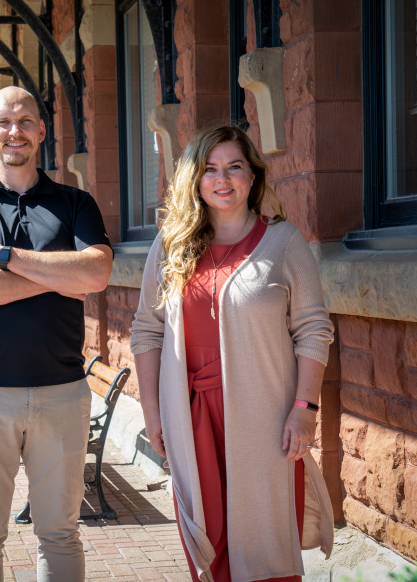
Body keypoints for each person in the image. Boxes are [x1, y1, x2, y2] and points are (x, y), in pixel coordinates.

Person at [130, 125, 336, 582]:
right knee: (208, 540)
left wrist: (305, 408)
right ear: (195, 181)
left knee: (264, 542)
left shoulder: (284, 242)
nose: (222, 179)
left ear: (252, 176)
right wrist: (153, 412)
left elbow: (314, 329)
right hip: (192, 417)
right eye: (210, 169)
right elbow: (147, 330)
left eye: (234, 167)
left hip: (262, 417)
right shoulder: (171, 246)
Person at [0, 86, 113, 582]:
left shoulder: (75, 202)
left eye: (26, 121)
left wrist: (9, 259)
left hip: (62, 392)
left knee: (61, 534)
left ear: (42, 131)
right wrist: (56, 278)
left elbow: (95, 276)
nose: (16, 131)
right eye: (4, 123)